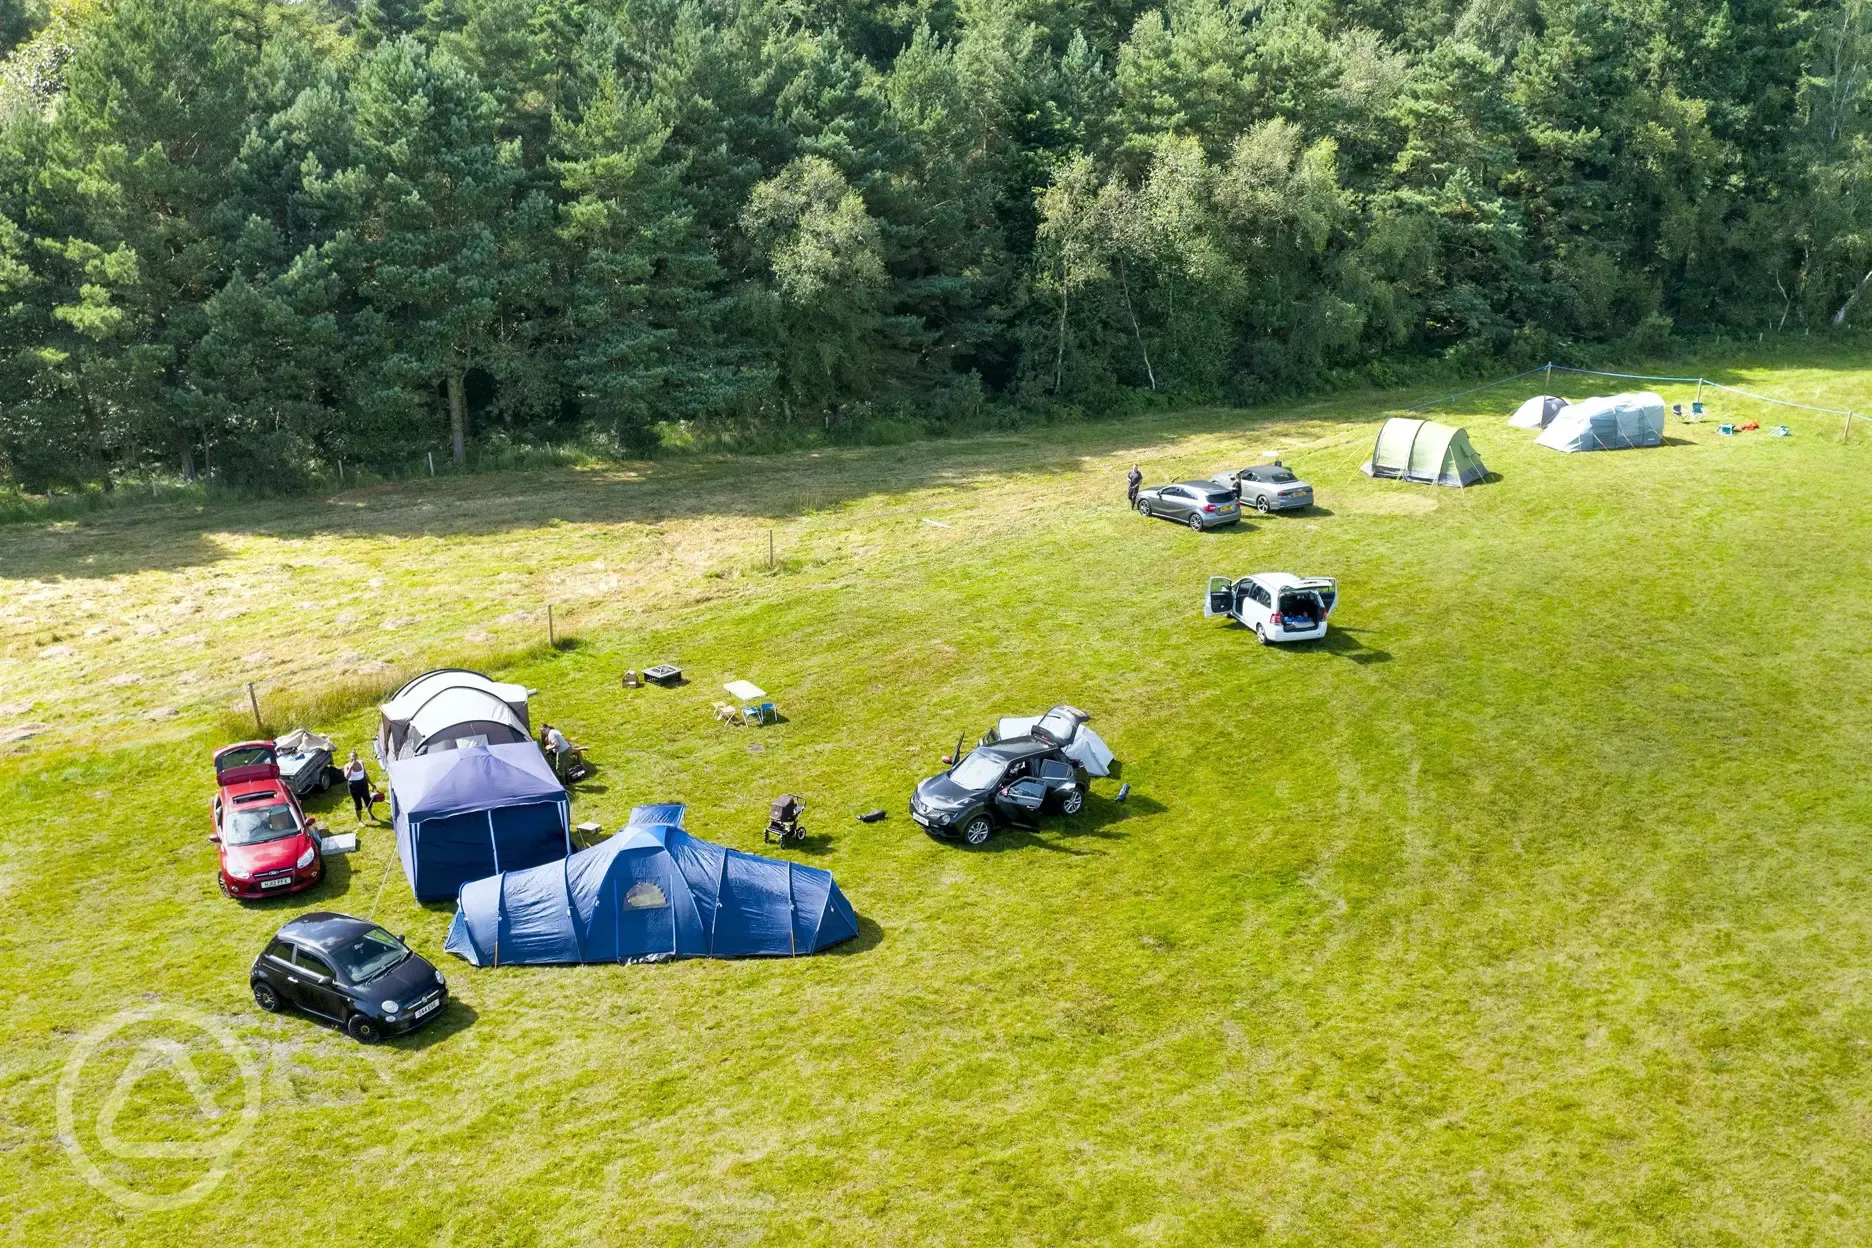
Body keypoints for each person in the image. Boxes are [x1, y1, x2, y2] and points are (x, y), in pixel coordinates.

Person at [342, 750, 374, 823]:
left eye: (355, 756)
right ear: (349, 758)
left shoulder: (361, 762)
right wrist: (350, 767)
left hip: (363, 783)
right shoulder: (347, 766)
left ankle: (370, 813)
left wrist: (371, 784)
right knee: (358, 804)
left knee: (368, 800)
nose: (354, 758)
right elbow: (347, 777)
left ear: (357, 757)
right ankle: (360, 821)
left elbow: (365, 774)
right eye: (352, 757)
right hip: (354, 786)